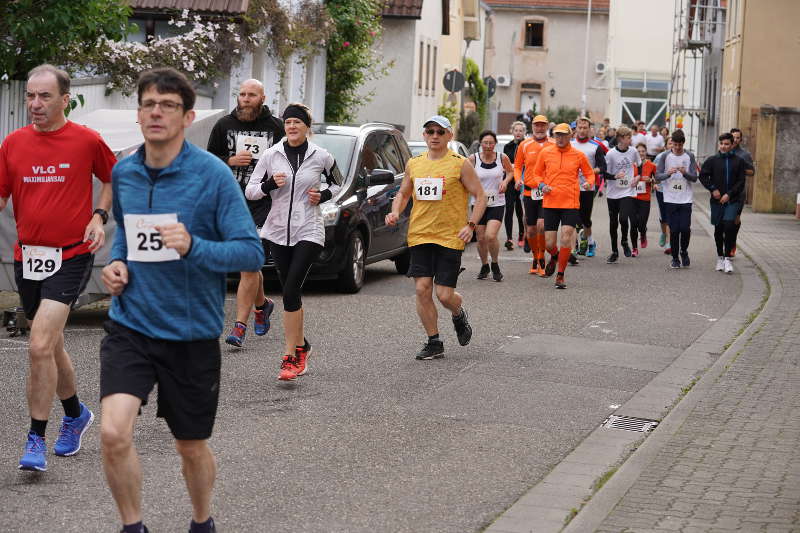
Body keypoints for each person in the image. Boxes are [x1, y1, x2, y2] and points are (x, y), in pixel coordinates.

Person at [100, 67, 265, 533]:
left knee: (189, 446)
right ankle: (134, 527)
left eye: (168, 105)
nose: (156, 112)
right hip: (130, 324)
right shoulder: (125, 172)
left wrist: (194, 246)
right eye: (149, 103)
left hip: (189, 333)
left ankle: (201, 521)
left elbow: (251, 252)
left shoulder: (212, 176)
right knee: (113, 433)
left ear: (187, 116)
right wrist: (118, 267)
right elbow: (126, 240)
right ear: (138, 114)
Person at [0, 64, 115, 472]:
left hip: (72, 253)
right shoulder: (13, 144)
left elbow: (112, 177)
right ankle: (76, 414)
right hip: (28, 257)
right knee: (50, 343)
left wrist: (98, 215)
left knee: (37, 345)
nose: (34, 103)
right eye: (30, 95)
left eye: (44, 96)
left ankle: (35, 438)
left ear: (65, 99)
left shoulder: (86, 141)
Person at [246, 103, 340, 381]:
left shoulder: (321, 156)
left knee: (289, 290)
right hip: (276, 230)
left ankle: (290, 357)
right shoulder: (270, 155)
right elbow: (251, 191)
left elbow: (337, 183)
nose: (292, 127)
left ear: (306, 127)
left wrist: (322, 196)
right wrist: (268, 186)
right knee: (292, 292)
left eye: (297, 122)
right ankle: (303, 346)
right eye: (287, 122)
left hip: (308, 229)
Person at [385, 115, 486, 360]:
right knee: (422, 289)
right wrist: (395, 211)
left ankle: (458, 313)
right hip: (420, 234)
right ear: (424, 135)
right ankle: (434, 341)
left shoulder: (460, 164)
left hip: (450, 236)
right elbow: (403, 194)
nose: (434, 136)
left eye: (440, 132)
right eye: (430, 131)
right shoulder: (415, 163)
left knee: (444, 295)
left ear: (449, 136)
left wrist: (471, 225)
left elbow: (480, 196)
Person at [207, 79, 284, 348]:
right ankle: (262, 305)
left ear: (262, 97)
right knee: (247, 262)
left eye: (252, 95)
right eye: (242, 94)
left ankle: (239, 326)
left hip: (265, 203)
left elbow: (290, 159)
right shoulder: (224, 125)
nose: (246, 99)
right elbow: (209, 160)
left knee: (249, 264)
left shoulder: (276, 127)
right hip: (231, 201)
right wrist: (228, 160)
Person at [532, 123, 595, 289]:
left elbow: (589, 173)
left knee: (566, 237)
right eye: (557, 135)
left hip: (570, 202)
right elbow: (536, 174)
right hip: (551, 202)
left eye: (563, 135)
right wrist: (541, 185)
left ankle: (560, 274)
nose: (560, 138)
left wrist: (589, 182)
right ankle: (555, 255)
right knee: (549, 244)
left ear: (570, 136)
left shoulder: (578, 155)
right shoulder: (546, 152)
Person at [699, 132, 747, 274]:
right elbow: (703, 176)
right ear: (719, 144)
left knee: (729, 226)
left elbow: (741, 182)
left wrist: (729, 194)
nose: (724, 146)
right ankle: (720, 257)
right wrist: (713, 189)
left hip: (733, 200)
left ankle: (727, 258)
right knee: (719, 228)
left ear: (732, 145)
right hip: (716, 201)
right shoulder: (712, 160)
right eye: (722, 144)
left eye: (727, 144)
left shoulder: (739, 161)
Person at [470, 130, 513, 281]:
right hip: (478, 203)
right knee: (481, 238)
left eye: (491, 143)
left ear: (495, 144)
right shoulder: (473, 159)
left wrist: (505, 181)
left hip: (497, 202)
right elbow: (464, 177)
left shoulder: (502, 158)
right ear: (480, 144)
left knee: (490, 235)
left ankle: (495, 263)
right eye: (485, 143)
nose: (488, 146)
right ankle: (484, 265)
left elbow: (510, 172)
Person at [514, 115, 554, 275]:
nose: (540, 128)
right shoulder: (524, 145)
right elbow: (517, 166)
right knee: (530, 230)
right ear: (532, 127)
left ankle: (542, 258)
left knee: (542, 226)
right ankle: (535, 257)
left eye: (542, 125)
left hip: (547, 192)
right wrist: (518, 180)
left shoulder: (553, 144)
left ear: (547, 127)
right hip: (530, 192)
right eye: (537, 125)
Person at [655, 129, 700, 268]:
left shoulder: (689, 156)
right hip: (670, 198)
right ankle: (675, 258)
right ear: (671, 144)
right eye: (675, 145)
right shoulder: (665, 157)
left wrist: (685, 172)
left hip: (685, 199)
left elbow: (694, 178)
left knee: (685, 229)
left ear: (683, 143)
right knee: (674, 230)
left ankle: (684, 251)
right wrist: (667, 174)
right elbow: (657, 176)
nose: (678, 147)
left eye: (680, 145)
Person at [603, 126, 641, 263]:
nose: (631, 139)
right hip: (613, 193)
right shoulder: (611, 154)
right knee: (613, 223)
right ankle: (614, 251)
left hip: (627, 190)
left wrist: (638, 177)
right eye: (628, 137)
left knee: (624, 219)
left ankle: (624, 241)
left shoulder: (633, 151)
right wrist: (614, 176)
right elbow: (604, 173)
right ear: (620, 139)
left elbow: (640, 165)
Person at [571, 117, 608, 257]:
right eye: (579, 127)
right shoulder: (570, 144)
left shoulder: (595, 146)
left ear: (589, 129)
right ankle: (574, 246)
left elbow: (603, 167)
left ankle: (590, 241)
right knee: (573, 218)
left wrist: (591, 171)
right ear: (576, 129)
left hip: (587, 187)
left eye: (585, 127)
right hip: (571, 187)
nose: (582, 130)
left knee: (585, 219)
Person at [729, 127, 754, 256]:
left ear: (741, 139)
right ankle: (727, 242)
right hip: (725, 192)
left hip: (739, 193)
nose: (735, 140)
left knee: (735, 220)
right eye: (733, 137)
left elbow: (752, 172)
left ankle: (732, 243)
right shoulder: (723, 151)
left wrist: (739, 169)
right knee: (725, 221)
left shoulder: (745, 154)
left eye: (738, 137)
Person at [502, 121, 526, 250]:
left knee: (520, 210)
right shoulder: (508, 146)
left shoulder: (527, 145)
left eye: (520, 131)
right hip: (511, 181)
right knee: (509, 209)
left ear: (524, 132)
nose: (518, 133)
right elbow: (506, 164)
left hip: (523, 181)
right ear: (512, 132)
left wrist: (518, 168)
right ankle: (509, 238)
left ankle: (522, 234)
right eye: (516, 130)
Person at [633, 143, 657, 254]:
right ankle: (634, 248)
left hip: (645, 198)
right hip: (632, 197)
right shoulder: (631, 165)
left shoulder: (652, 165)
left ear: (646, 152)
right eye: (639, 151)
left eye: (643, 151)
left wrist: (651, 181)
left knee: (642, 223)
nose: (641, 153)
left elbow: (658, 179)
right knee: (633, 223)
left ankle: (643, 234)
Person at [653, 138, 673, 253]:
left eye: (673, 143)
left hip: (673, 191)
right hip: (661, 190)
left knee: (670, 215)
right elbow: (654, 173)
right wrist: (655, 184)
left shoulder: (679, 157)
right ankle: (664, 233)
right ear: (665, 146)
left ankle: (669, 243)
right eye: (670, 143)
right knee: (663, 216)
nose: (672, 146)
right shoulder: (660, 157)